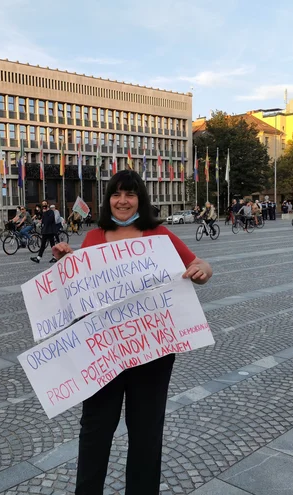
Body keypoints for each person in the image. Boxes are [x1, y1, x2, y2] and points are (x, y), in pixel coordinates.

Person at [51, 170, 212, 495]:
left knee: (146, 434)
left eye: (130, 194)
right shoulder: (95, 238)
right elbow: (80, 289)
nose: (122, 200)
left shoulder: (159, 236)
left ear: (140, 199)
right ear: (109, 200)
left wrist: (201, 272)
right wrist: (66, 262)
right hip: (104, 354)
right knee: (94, 431)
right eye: (116, 194)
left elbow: (203, 265)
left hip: (152, 352)